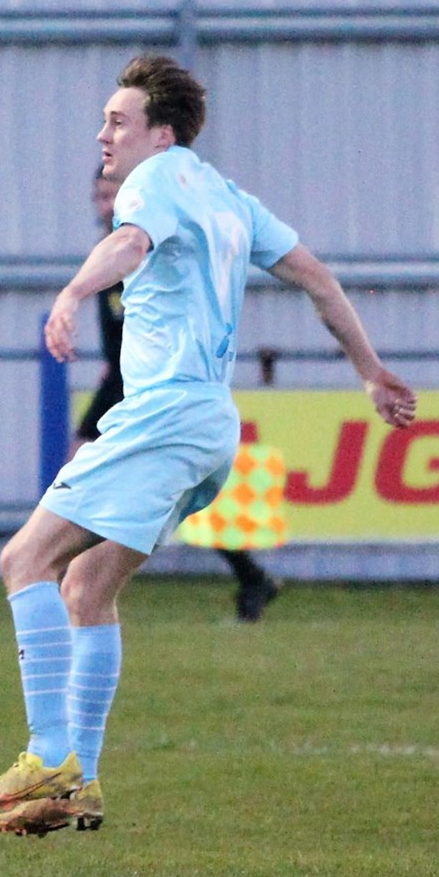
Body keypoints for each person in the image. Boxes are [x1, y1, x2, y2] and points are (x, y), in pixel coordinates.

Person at [0, 54, 417, 837]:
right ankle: (81, 788)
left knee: (23, 561)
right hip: (210, 425)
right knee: (88, 591)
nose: (104, 133)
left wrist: (72, 293)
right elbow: (317, 278)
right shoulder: (228, 196)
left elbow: (131, 245)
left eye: (117, 120)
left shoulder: (155, 179)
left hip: (164, 414)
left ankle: (47, 753)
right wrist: (370, 372)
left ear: (160, 133)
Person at [74, 166, 282, 624]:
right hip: (121, 380)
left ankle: (81, 581)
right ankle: (86, 579)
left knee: (115, 480)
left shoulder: (146, 244)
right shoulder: (108, 251)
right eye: (98, 194)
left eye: (110, 193)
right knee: (114, 480)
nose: (102, 202)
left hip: (152, 386)